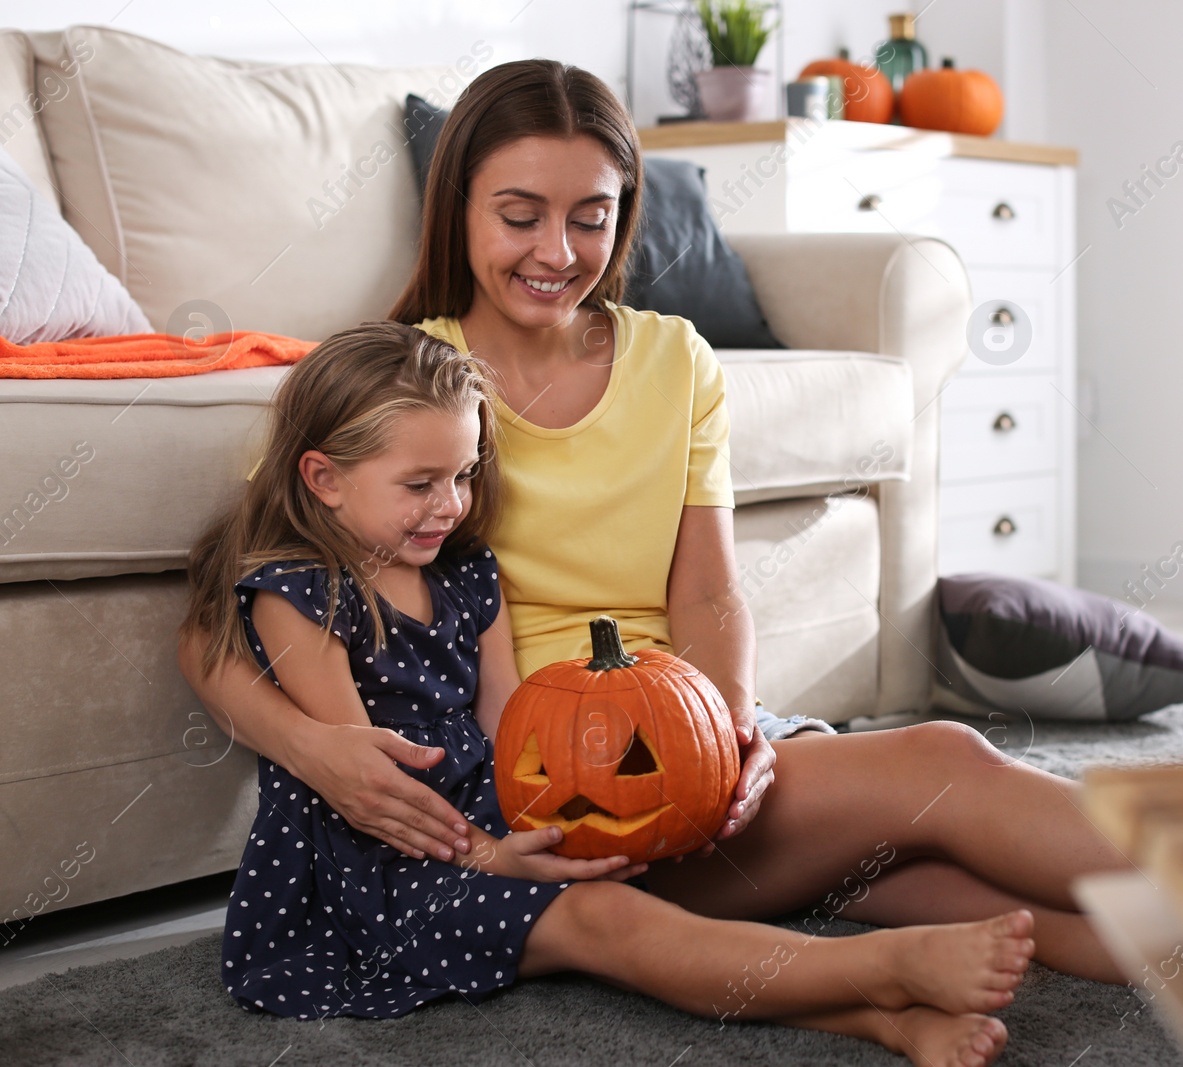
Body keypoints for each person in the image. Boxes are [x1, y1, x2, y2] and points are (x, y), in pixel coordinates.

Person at [176, 57, 1129, 1056]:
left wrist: (733, 729)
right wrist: (313, 749)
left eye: (590, 215)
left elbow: (710, 589)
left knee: (947, 871)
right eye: (519, 214)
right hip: (556, 779)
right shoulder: (401, 383)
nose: (556, 250)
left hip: (685, 728)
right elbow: (220, 612)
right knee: (938, 764)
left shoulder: (675, 358)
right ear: (457, 207)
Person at [180, 320, 1035, 1064]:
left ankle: (890, 1024)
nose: (451, 504)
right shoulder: (302, 594)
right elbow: (372, 797)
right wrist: (492, 859)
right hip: (377, 875)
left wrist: (557, 822)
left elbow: (510, 729)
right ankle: (886, 968)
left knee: (644, 882)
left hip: (479, 820)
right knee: (607, 925)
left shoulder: (469, 571)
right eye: (420, 484)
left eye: (465, 474)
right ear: (323, 478)